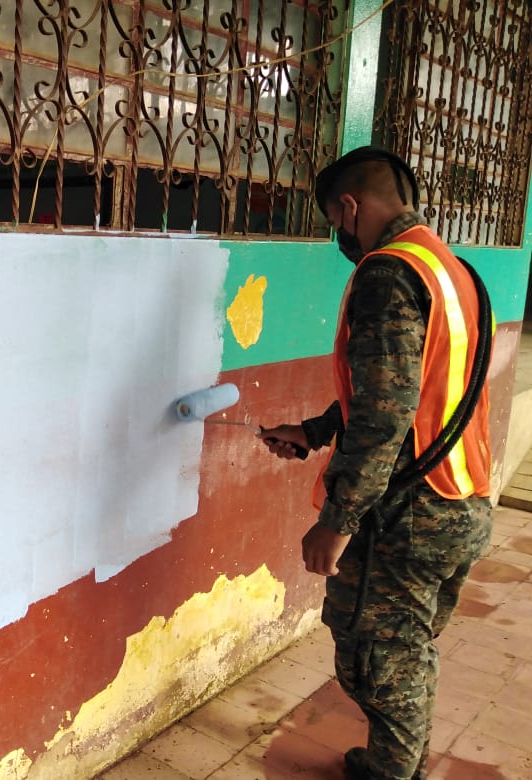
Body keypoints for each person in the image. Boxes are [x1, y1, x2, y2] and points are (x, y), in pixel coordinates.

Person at [259, 146, 493, 780]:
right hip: (463, 500)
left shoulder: (387, 274)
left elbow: (385, 416)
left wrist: (337, 522)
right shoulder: (454, 270)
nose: (341, 237)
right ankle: (398, 763)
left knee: (375, 660)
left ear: (349, 207)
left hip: (407, 517)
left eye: (336, 223)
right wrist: (313, 433)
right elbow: (416, 392)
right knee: (406, 651)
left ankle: (391, 772)